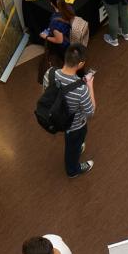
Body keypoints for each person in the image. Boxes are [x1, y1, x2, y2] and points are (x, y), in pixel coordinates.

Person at [41, 43, 95, 177]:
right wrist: (90, 86)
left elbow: (45, 93)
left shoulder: (50, 73)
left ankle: (76, 148)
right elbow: (91, 111)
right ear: (81, 63)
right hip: (75, 125)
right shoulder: (81, 88)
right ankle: (72, 170)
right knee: (74, 144)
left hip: (57, 117)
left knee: (72, 140)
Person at [40, 0, 73, 68]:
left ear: (51, 4)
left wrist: (46, 37)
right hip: (73, 39)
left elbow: (59, 40)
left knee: (69, 63)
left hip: (65, 46)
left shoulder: (55, 22)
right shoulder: (69, 8)